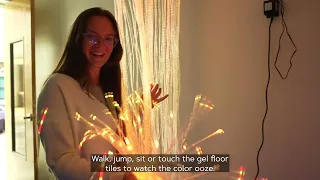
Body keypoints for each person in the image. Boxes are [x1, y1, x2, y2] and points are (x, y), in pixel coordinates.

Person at [37, 7, 168, 180]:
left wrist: (136, 112)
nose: (100, 45)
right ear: (78, 39)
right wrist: (119, 177)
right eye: (92, 37)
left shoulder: (106, 89)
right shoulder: (57, 87)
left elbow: (109, 146)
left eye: (108, 39)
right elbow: (61, 162)